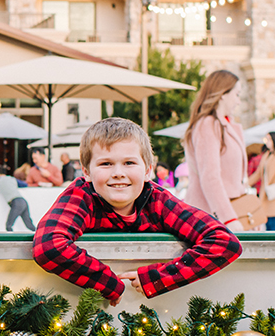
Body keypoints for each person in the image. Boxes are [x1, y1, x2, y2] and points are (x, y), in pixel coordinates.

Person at [33, 118, 242, 305]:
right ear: (86, 172)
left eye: (129, 163)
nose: (118, 173)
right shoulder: (82, 197)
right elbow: (48, 246)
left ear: (148, 170)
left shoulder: (158, 201)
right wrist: (109, 284)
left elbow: (223, 242)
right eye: (106, 164)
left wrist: (157, 278)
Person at [183, 70, 246, 233]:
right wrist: (229, 218)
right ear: (223, 94)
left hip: (219, 216)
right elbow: (210, 177)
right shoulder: (208, 124)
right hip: (210, 218)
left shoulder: (222, 124)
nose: (238, 101)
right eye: (236, 94)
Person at [0, 164, 35, 231]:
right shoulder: (12, 178)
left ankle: (11, 240)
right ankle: (39, 234)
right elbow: (24, 184)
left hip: (16, 202)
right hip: (23, 201)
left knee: (8, 225)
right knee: (29, 224)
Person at [248, 132, 275, 231]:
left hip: (272, 194)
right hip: (266, 194)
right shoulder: (267, 155)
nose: (266, 142)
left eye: (269, 139)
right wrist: (246, 184)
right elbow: (259, 173)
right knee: (267, 222)